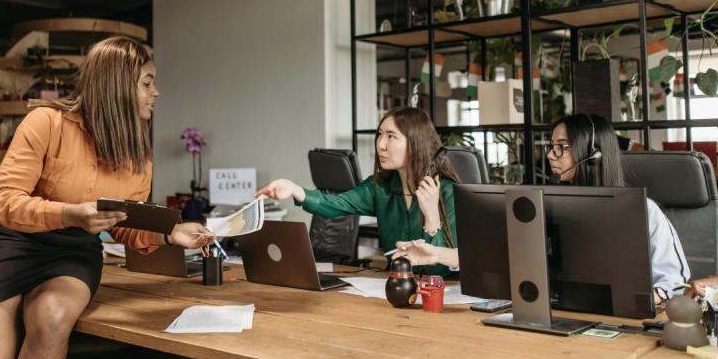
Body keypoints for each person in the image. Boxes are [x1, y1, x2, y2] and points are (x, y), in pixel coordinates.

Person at [0, 37, 215, 359]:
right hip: (16, 243)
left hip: (74, 253)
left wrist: (170, 233)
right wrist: (68, 213)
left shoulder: (138, 158)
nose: (155, 92)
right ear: (116, 85)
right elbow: (2, 201)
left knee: (51, 319)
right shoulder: (45, 122)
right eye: (146, 83)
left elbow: (126, 228)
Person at [394, 113, 691, 303]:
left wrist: (639, 300)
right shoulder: (545, 206)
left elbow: (675, 283)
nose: (550, 155)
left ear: (594, 154)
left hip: (616, 325)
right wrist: (436, 254)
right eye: (551, 146)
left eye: (561, 147)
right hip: (557, 315)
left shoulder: (644, 212)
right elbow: (504, 257)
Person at [254, 106, 460, 277]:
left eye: (391, 136)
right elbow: (334, 203)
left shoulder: (448, 192)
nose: (380, 145)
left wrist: (432, 218)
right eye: (380, 135)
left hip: (444, 296)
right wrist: (295, 189)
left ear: (415, 143)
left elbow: (440, 269)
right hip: (396, 288)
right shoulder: (380, 187)